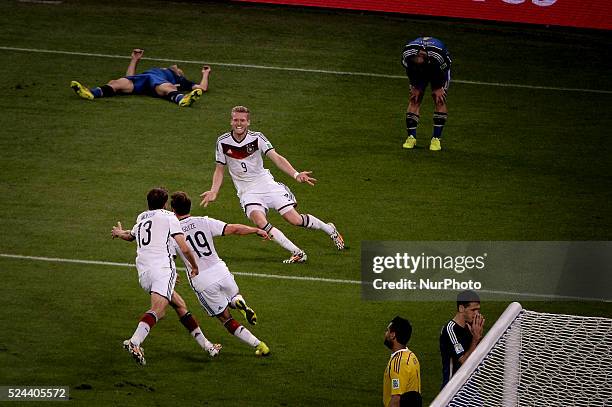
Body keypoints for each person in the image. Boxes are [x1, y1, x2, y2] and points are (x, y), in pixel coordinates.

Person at [199, 105, 345, 264]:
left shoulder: (257, 138)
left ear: (248, 122)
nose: (238, 123)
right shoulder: (222, 142)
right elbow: (219, 169)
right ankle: (297, 252)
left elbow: (276, 157)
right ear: (231, 121)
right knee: (260, 222)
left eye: (242, 120)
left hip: (266, 184)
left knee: (295, 220)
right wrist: (214, 190)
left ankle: (329, 229)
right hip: (247, 191)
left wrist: (296, 174)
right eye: (235, 120)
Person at [111, 187, 222, 366]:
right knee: (158, 310)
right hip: (162, 270)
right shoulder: (169, 217)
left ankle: (207, 346)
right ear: (165, 205)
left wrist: (118, 233)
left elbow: (131, 236)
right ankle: (134, 342)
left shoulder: (141, 217)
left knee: (179, 305)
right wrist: (194, 266)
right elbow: (184, 247)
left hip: (144, 273)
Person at [170, 191, 271, 356]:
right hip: (221, 270)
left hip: (202, 279)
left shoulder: (173, 232)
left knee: (226, 318)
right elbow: (233, 229)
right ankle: (238, 301)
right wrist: (255, 230)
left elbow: (170, 257)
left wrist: (172, 274)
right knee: (232, 296)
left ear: (173, 210)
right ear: (189, 207)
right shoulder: (204, 221)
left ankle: (259, 345)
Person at [71, 48, 210, 107]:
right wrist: (134, 59)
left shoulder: (180, 79)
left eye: (179, 69)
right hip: (141, 81)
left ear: (180, 73)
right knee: (117, 82)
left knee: (167, 87)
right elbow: (130, 77)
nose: (176, 67)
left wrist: (205, 74)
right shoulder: (154, 71)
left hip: (157, 85)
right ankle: (91, 93)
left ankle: (182, 100)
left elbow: (202, 87)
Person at [401, 37, 452, 151]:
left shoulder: (438, 56)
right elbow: (409, 70)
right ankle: (411, 137)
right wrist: (414, 85)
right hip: (418, 72)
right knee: (414, 98)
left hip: (439, 70)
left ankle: (436, 139)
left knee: (439, 98)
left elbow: (445, 68)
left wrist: (438, 87)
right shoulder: (407, 54)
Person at [439, 290, 485, 388]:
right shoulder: (450, 329)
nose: (477, 314)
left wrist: (479, 336)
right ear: (461, 308)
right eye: (473, 310)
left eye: (478, 310)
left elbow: (480, 355)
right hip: (453, 387)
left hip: (469, 384)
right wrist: (475, 339)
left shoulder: (470, 327)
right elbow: (463, 361)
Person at [383, 316, 422, 407]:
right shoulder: (411, 356)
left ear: (393, 335)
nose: (386, 334)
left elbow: (396, 400)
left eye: (388, 331)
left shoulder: (399, 363)